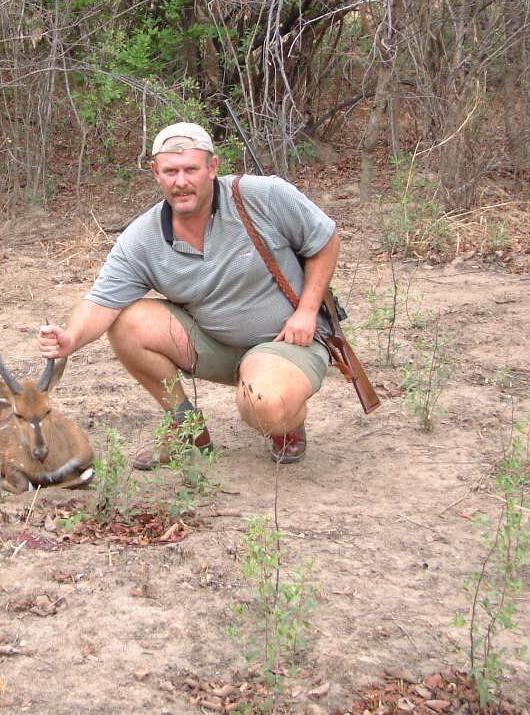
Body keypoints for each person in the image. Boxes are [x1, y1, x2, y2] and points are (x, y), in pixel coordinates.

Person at [37, 121, 340, 469]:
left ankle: (285, 419)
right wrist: (70, 338)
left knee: (266, 406)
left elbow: (326, 242)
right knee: (127, 321)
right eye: (170, 171)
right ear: (156, 173)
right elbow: (103, 301)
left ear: (213, 167)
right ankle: (184, 425)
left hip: (289, 340)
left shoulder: (263, 195)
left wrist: (307, 310)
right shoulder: (143, 237)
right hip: (213, 344)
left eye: (191, 169)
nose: (181, 182)